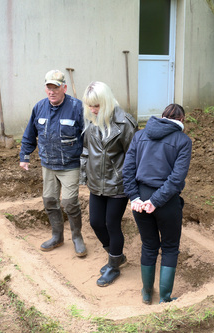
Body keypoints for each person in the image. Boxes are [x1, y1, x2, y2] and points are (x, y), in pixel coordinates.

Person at [122, 104, 192, 304]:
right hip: (167, 202)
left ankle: (146, 293)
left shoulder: (140, 135)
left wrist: (135, 198)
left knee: (149, 245)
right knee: (170, 247)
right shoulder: (183, 141)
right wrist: (156, 201)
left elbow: (127, 170)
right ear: (181, 120)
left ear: (162, 117)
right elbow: (177, 179)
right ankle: (165, 297)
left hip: (140, 199)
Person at [19, 70, 87, 257]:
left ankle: (77, 237)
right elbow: (29, 134)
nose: (52, 91)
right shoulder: (39, 107)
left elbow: (88, 135)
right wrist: (25, 156)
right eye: (49, 87)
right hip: (48, 164)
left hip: (70, 164)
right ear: (46, 88)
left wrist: (88, 160)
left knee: (69, 202)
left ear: (64, 88)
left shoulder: (77, 107)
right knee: (49, 200)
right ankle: (57, 236)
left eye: (56, 87)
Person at [79, 81, 137, 287]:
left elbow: (133, 155)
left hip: (117, 184)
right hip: (96, 182)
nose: (93, 110)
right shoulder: (91, 120)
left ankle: (113, 266)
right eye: (90, 106)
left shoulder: (124, 123)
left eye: (97, 106)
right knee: (95, 222)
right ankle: (116, 256)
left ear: (106, 101)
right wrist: (83, 176)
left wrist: (130, 183)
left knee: (112, 224)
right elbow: (86, 150)